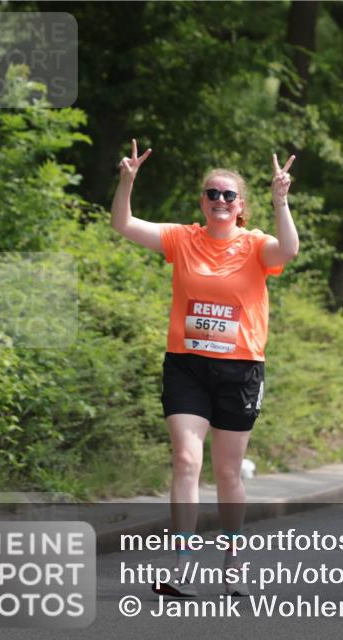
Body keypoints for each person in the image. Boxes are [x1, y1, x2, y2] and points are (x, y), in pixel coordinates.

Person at [110, 140, 299, 596]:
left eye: (229, 196)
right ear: (202, 202)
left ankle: (233, 563)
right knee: (185, 459)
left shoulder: (256, 246)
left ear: (241, 208)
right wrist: (126, 181)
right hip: (187, 366)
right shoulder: (183, 238)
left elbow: (288, 250)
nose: (219, 201)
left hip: (240, 369)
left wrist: (281, 201)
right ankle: (183, 565)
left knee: (229, 472)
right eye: (212, 194)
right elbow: (123, 224)